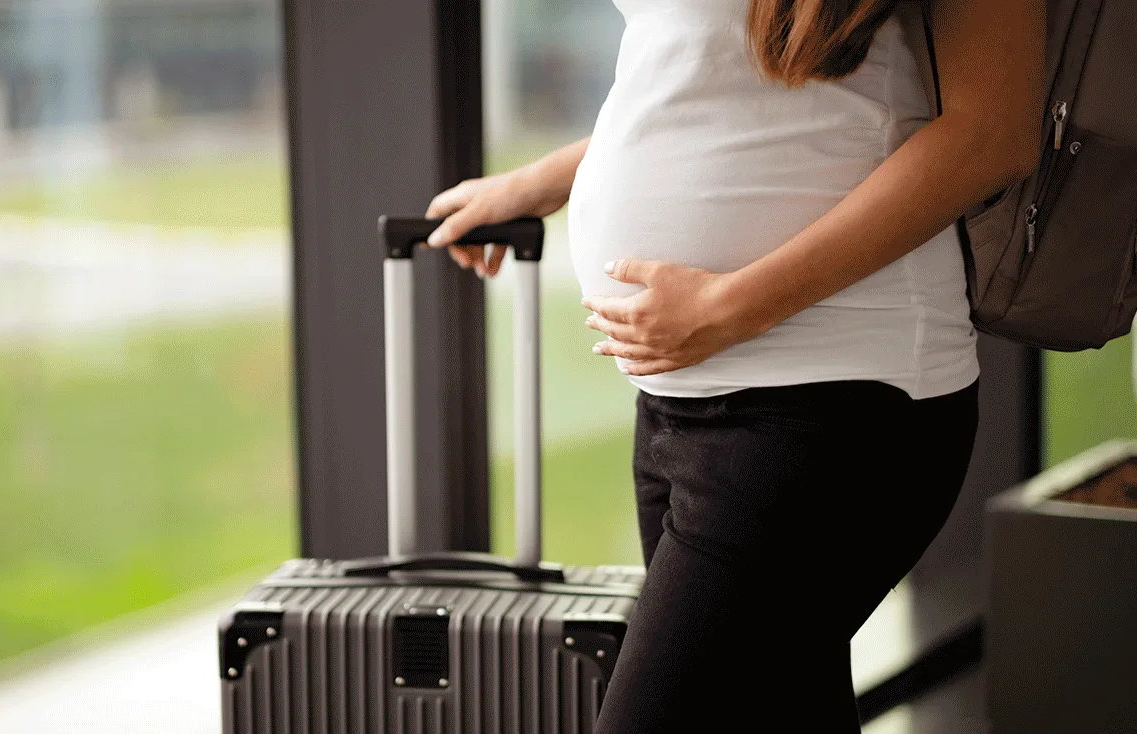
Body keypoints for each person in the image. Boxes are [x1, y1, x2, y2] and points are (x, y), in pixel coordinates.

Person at [425, 0, 1043, 730]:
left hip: (835, 405)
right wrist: (546, 179)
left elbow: (991, 135)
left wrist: (729, 307)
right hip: (679, 407)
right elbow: (708, 70)